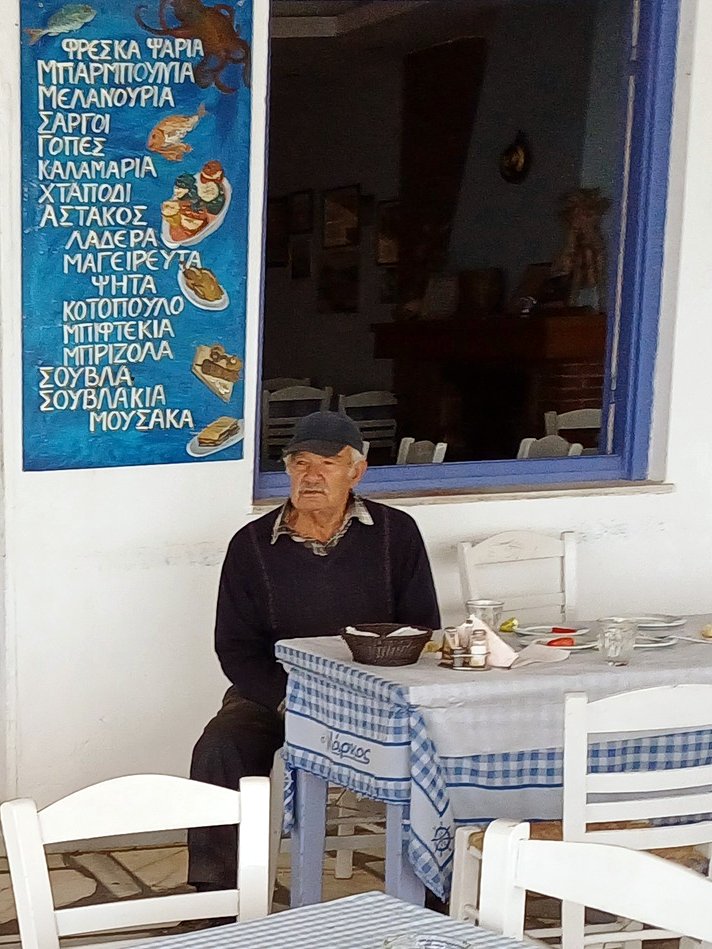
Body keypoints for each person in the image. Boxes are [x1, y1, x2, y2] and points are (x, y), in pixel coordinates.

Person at [188, 410, 440, 892]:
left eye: (327, 462)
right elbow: (236, 649)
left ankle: (429, 890)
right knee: (220, 747)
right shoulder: (252, 545)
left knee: (437, 748)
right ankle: (214, 894)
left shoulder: (395, 533)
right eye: (299, 463)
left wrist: (373, 684)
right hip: (279, 694)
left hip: (373, 697)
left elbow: (422, 625)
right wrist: (288, 699)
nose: (311, 475)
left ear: (356, 471)